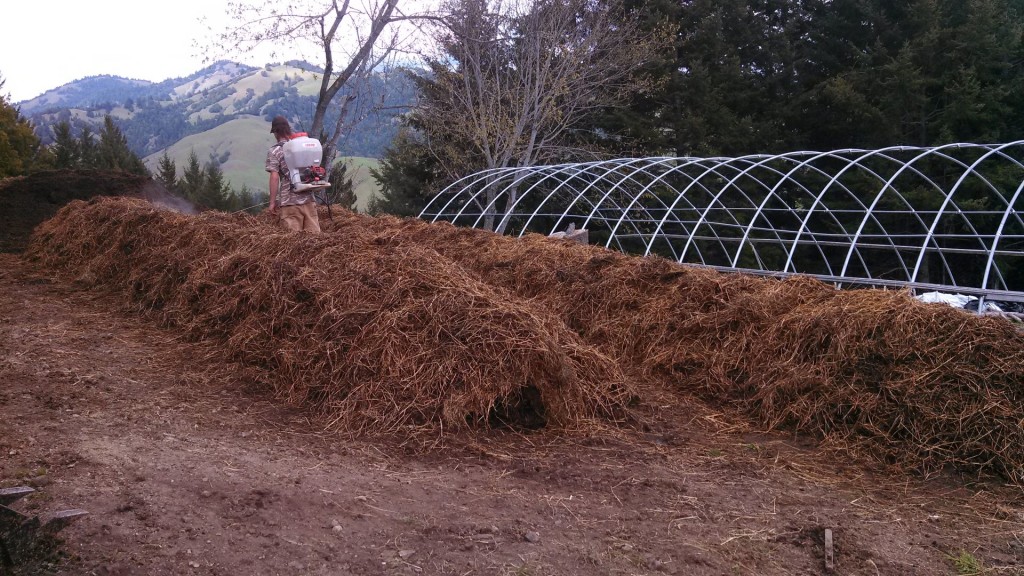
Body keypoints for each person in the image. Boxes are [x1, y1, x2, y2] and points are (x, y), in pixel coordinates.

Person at [266, 115, 321, 233]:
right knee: (316, 242)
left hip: (289, 203)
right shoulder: (302, 146)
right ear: (288, 129)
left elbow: (275, 177)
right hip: (309, 200)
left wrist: (272, 202)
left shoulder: (274, 151)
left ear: (275, 132)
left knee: (292, 244)